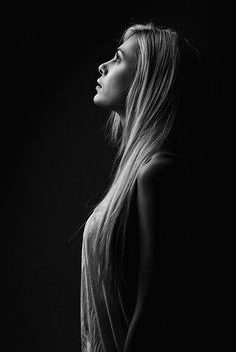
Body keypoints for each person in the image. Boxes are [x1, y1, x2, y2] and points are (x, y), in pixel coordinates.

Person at [80, 22, 213, 351]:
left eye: (118, 58)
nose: (103, 66)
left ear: (147, 82)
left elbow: (156, 311)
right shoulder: (140, 173)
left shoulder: (159, 172)